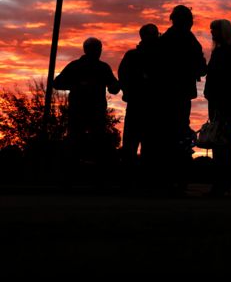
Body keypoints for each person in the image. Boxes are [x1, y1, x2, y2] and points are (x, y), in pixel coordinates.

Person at [53, 37, 120, 184]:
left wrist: (115, 85)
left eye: (99, 49)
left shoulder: (102, 68)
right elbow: (57, 83)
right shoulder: (77, 66)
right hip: (79, 111)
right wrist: (78, 85)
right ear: (87, 50)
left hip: (95, 111)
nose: (98, 51)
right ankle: (71, 177)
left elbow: (113, 87)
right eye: (96, 49)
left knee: (96, 142)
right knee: (77, 141)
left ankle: (96, 178)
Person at [158, 5, 207, 195]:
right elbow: (202, 67)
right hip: (180, 94)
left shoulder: (166, 39)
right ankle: (179, 179)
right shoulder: (190, 40)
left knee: (168, 134)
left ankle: (168, 179)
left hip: (166, 93)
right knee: (180, 134)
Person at [203, 19, 231, 197]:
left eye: (214, 30)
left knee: (223, 141)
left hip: (225, 99)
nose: (212, 33)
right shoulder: (222, 51)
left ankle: (222, 184)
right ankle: (221, 184)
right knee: (219, 140)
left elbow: (226, 76)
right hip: (219, 99)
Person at [117, 23, 160, 186]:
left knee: (147, 143)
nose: (155, 37)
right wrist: (129, 91)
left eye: (156, 34)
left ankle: (141, 179)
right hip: (139, 104)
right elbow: (123, 76)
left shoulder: (159, 56)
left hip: (150, 105)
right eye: (153, 34)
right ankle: (132, 179)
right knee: (134, 142)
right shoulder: (134, 56)